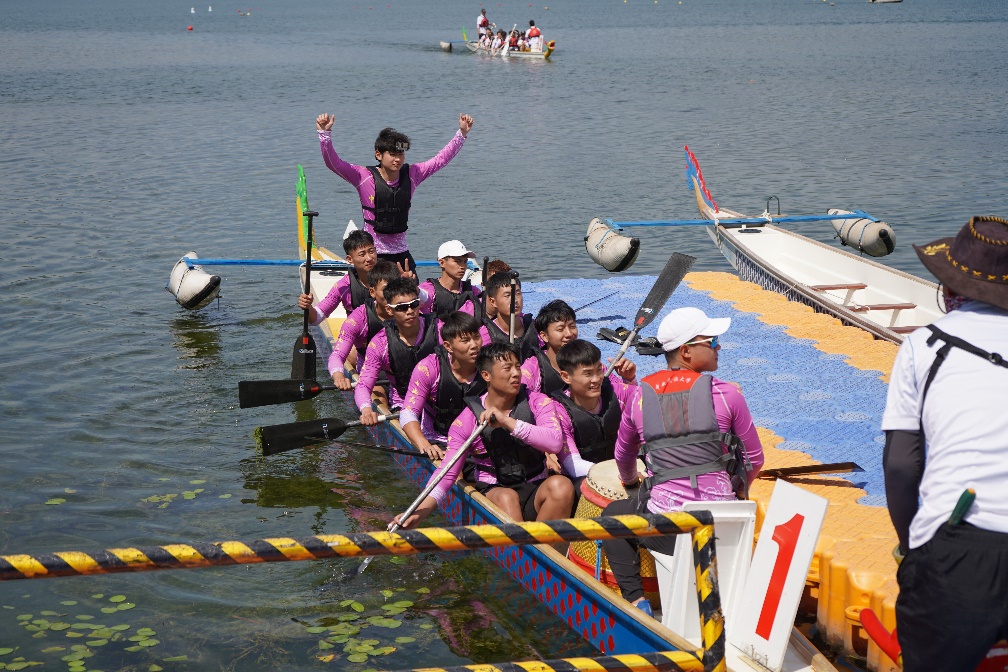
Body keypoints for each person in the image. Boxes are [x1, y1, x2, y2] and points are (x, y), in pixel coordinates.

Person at [881, 216, 1008, 672]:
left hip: (959, 548)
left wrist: (910, 547)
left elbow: (901, 466)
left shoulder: (925, 345)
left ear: (950, 288)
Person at [600, 307, 764, 616]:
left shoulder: (639, 396)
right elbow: (754, 460)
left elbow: (623, 454)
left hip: (669, 532)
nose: (718, 346)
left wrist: (630, 482)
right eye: (711, 341)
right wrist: (738, 491)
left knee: (612, 516)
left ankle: (637, 602)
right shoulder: (728, 394)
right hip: (721, 527)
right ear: (686, 351)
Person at [392, 342, 574, 527]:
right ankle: (524, 541)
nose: (516, 373)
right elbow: (447, 474)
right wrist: (418, 513)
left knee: (562, 485)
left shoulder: (539, 401)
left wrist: (507, 422)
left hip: (536, 485)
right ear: (486, 375)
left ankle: (538, 542)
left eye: (518, 367)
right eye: (507, 368)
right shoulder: (466, 421)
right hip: (496, 490)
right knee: (507, 496)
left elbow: (554, 443)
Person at [316, 112, 475, 273]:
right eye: (392, 154)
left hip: (402, 253)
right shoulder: (363, 176)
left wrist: (461, 134)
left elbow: (440, 160)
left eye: (401, 154)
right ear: (378, 155)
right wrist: (324, 134)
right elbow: (333, 163)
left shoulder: (413, 174)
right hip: (374, 255)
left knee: (412, 287)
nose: (398, 159)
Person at [400, 311, 486, 460]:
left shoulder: (491, 366)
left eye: (476, 337)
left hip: (477, 442)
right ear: (448, 346)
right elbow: (408, 413)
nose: (474, 345)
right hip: (438, 441)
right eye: (465, 341)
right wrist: (424, 445)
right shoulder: (428, 368)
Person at [356, 277, 440, 425]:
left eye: (414, 304)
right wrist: (367, 410)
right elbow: (363, 385)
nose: (410, 311)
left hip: (440, 402)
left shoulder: (439, 329)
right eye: (402, 307)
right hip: (404, 406)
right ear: (389, 310)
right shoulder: (380, 344)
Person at [551, 339, 638, 480]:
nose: (596, 379)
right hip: (584, 480)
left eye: (599, 370)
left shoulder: (617, 392)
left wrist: (630, 380)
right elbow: (573, 465)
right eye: (588, 374)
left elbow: (645, 404)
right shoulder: (558, 411)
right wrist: (618, 473)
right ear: (566, 377)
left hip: (624, 473)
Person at [326, 260, 407, 389]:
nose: (392, 295)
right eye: (386, 290)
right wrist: (339, 376)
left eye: (396, 289)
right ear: (372, 292)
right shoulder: (358, 319)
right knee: (379, 395)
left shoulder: (411, 310)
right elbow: (337, 355)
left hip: (404, 371)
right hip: (372, 374)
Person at [298, 230, 376, 328]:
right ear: (349, 259)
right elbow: (316, 319)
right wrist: (308, 307)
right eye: (362, 254)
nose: (369, 258)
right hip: (359, 335)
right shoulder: (343, 286)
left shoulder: (389, 277)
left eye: (371, 252)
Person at [521, 299, 579, 396]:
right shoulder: (532, 370)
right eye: (560, 329)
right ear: (544, 336)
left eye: (572, 327)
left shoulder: (587, 360)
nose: (569, 334)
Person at [420, 240, 483, 320]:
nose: (463, 266)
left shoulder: (473, 291)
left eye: (465, 261)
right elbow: (419, 295)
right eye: (457, 261)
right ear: (442, 263)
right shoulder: (429, 290)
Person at [482, 271, 538, 359]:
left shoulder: (535, 327)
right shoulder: (485, 335)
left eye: (518, 293)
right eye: (507, 295)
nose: (515, 300)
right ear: (493, 302)